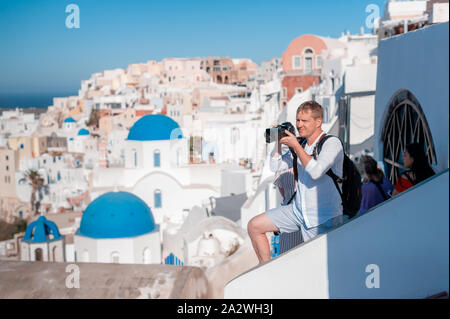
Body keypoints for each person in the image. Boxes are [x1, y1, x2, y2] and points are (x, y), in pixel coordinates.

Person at [247, 100, 344, 264]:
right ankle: (264, 269)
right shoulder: (302, 144)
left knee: (316, 267)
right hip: (298, 211)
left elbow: (316, 171)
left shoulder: (331, 143)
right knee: (254, 226)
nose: (299, 125)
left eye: (304, 121)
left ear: (318, 121)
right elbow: (275, 165)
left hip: (323, 217)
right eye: (298, 120)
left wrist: (296, 147)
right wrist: (279, 142)